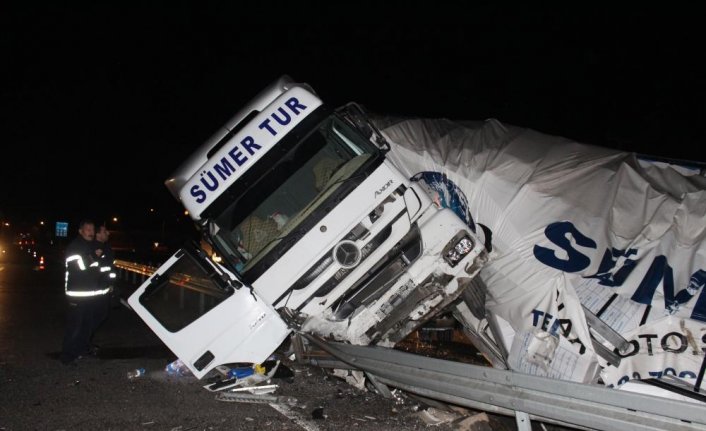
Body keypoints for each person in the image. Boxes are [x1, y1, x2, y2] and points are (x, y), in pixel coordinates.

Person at [59, 219, 109, 365]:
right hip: (77, 294)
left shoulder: (90, 246)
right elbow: (78, 268)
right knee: (75, 326)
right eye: (88, 229)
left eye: (92, 230)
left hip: (90, 294)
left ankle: (80, 351)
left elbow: (96, 270)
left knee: (86, 326)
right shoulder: (75, 247)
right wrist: (94, 257)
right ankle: (67, 357)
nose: (91, 232)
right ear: (80, 231)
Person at [88, 224, 116, 350]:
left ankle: (86, 341)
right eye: (105, 231)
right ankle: (84, 343)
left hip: (104, 288)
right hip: (94, 290)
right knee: (94, 316)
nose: (108, 233)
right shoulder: (93, 248)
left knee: (100, 315)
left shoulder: (106, 248)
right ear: (98, 234)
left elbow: (109, 268)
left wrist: (111, 284)